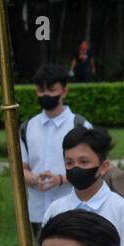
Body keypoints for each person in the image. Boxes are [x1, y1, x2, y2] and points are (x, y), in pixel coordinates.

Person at [21, 64, 92, 235]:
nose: (46, 95)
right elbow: (21, 168)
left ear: (64, 91)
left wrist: (60, 179)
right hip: (37, 211)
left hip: (74, 208)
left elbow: (92, 168)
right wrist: (34, 179)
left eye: (52, 90)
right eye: (41, 90)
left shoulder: (80, 126)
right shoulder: (27, 127)